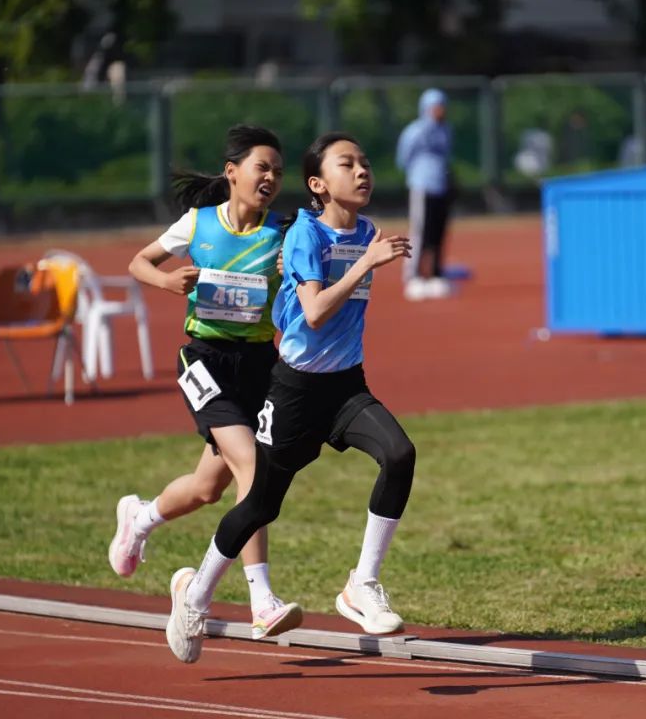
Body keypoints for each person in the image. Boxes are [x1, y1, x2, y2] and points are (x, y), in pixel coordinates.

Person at [165, 132, 415, 664]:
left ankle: (361, 585)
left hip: (347, 387)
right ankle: (197, 596)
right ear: (319, 184)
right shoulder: (304, 236)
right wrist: (365, 264)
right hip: (296, 391)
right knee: (259, 503)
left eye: (366, 162)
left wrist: (366, 257)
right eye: (348, 164)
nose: (363, 171)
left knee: (400, 453)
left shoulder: (366, 230)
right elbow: (317, 311)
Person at [110, 125, 302, 641]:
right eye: (262, 167)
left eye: (278, 172)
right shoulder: (197, 225)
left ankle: (142, 518)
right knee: (253, 469)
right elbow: (138, 262)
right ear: (232, 172)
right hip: (204, 362)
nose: (270, 178)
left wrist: (292, 270)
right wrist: (169, 281)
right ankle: (261, 599)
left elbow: (298, 299)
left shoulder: (282, 235)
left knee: (206, 488)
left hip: (259, 365)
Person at [396, 88, 453, 302]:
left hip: (441, 186)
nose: (440, 110)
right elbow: (404, 157)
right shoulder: (415, 131)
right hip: (422, 186)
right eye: (436, 106)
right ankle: (413, 275)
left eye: (443, 105)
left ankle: (436, 273)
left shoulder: (446, 130)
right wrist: (418, 174)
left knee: (438, 232)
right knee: (420, 232)